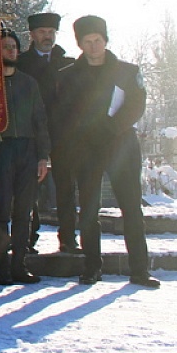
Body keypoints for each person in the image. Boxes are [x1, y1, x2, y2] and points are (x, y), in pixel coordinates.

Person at [55, 16, 159, 288]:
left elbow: (136, 104)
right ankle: (92, 267)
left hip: (121, 146)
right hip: (86, 149)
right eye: (87, 42)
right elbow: (64, 112)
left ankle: (139, 269)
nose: (93, 46)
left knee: (131, 208)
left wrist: (112, 128)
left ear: (105, 40)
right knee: (89, 209)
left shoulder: (127, 71)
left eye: (97, 40)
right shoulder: (67, 76)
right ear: (79, 43)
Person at [0, 28, 50, 284]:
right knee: (1, 209)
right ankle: (1, 266)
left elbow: (40, 120)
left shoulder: (28, 83)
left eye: (13, 46)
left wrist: (43, 156)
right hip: (0, 149)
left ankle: (19, 265)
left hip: (27, 150)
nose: (11, 51)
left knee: (24, 211)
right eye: (5, 47)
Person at [15, 12, 77, 253]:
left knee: (65, 188)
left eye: (51, 32)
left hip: (62, 134)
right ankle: (28, 238)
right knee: (29, 189)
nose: (47, 37)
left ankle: (68, 239)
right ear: (32, 35)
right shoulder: (22, 63)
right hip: (31, 133)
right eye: (42, 32)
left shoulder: (68, 63)